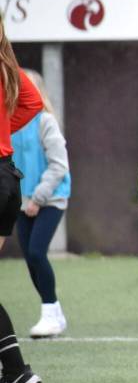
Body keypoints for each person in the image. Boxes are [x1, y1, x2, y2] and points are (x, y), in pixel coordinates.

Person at [0, 37, 45, 383]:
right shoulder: (4, 63)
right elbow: (33, 103)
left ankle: (15, 372)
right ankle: (14, 373)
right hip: (7, 178)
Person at [11, 69, 71, 338]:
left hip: (51, 198)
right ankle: (54, 313)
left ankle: (49, 313)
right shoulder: (8, 122)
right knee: (30, 259)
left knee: (36, 252)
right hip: (21, 202)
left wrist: (38, 197)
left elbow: (59, 165)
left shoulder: (45, 121)